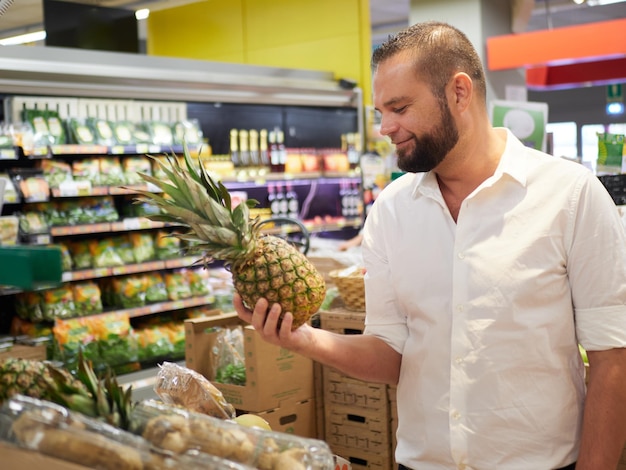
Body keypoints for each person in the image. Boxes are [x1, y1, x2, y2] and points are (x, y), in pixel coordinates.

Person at [234, 20, 626, 470]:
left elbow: (612, 358)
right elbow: (389, 353)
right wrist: (300, 337)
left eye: (399, 107)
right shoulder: (391, 210)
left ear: (459, 93)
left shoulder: (570, 194)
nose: (385, 127)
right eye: (380, 111)